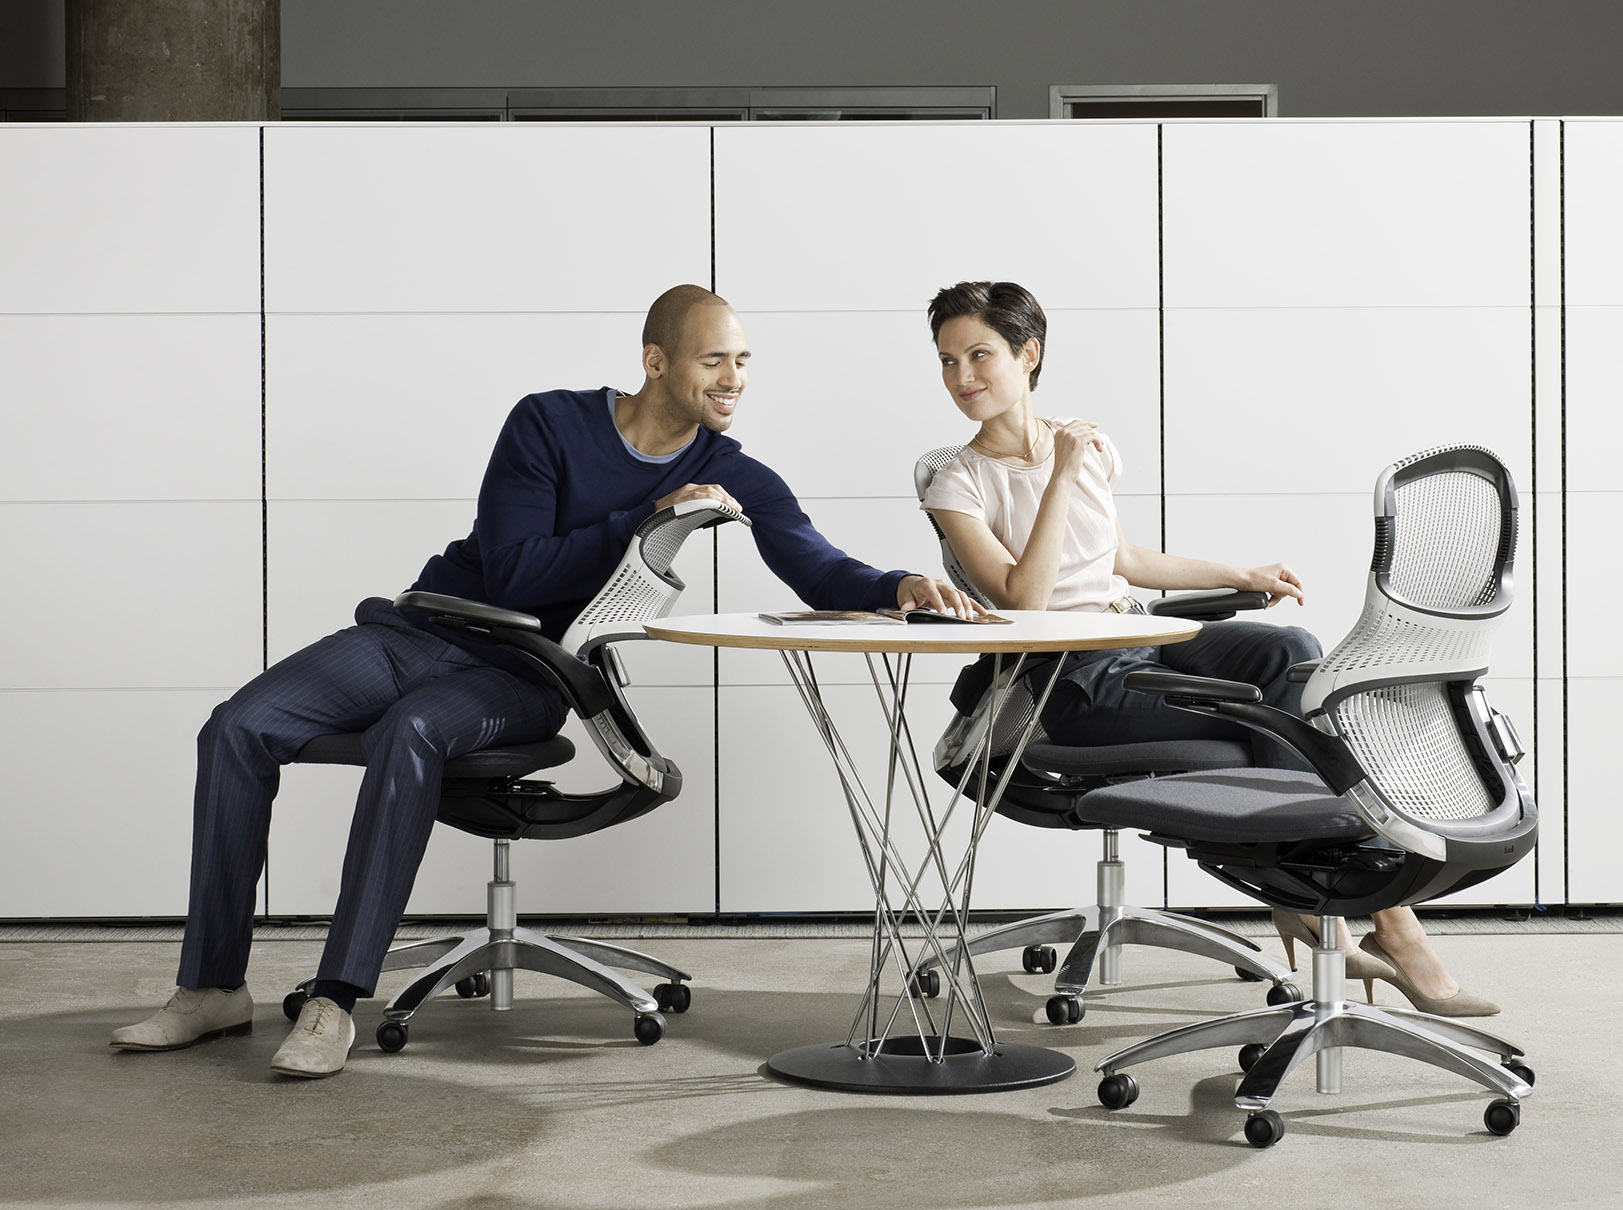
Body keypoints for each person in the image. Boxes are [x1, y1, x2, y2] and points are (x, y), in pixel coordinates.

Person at [112, 285, 978, 1077]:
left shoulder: (731, 471)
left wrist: (899, 585)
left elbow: (816, 566)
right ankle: (211, 987)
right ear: (656, 361)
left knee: (409, 733)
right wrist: (644, 519)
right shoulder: (547, 422)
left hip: (524, 672)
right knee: (237, 726)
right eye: (714, 359)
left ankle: (334, 1000)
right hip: (417, 630)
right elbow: (516, 570)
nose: (734, 379)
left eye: (743, 360)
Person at [919, 280, 1497, 1018]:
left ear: (1027, 354)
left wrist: (1240, 574)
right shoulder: (959, 482)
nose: (962, 377)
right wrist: (1058, 474)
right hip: (1066, 679)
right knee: (1259, 721)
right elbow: (1024, 598)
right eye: (947, 361)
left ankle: (1312, 900)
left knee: (1289, 652)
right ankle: (1365, 918)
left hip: (1137, 636)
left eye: (979, 356)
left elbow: (1122, 560)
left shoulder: (1087, 446)